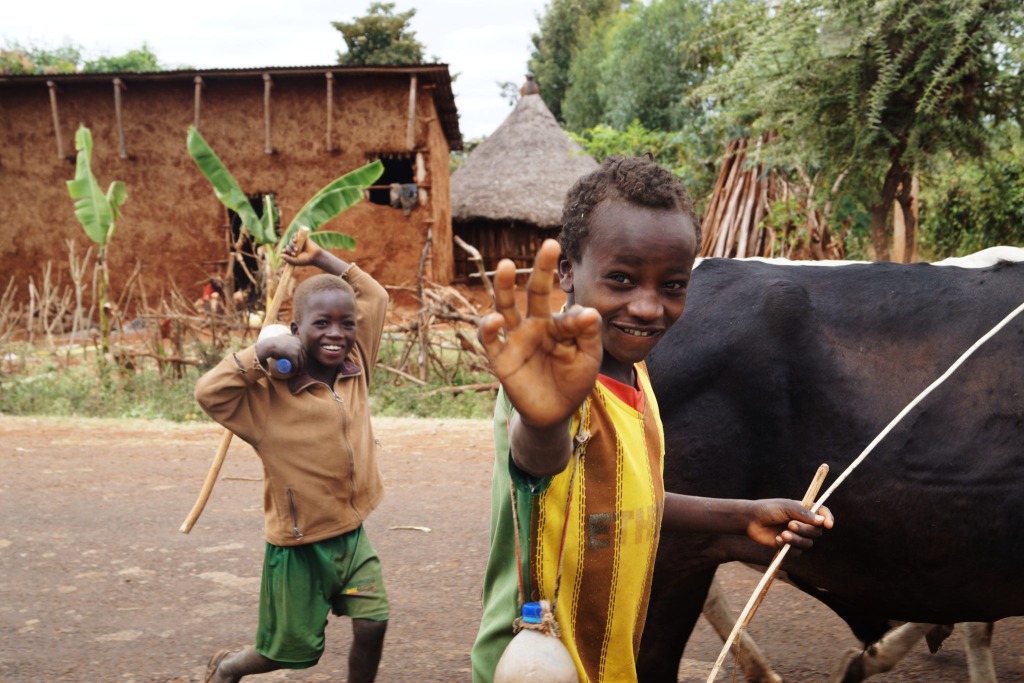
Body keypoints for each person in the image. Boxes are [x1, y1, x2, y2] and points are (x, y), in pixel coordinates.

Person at [470, 156, 835, 683]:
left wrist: (742, 515)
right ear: (569, 270)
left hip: (609, 662)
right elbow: (536, 460)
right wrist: (545, 421)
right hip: (536, 666)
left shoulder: (638, 379)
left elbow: (628, 504)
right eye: (621, 279)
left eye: (672, 286)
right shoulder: (548, 386)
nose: (648, 307)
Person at [194, 237, 390, 683]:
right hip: (299, 548)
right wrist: (258, 355)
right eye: (322, 323)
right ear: (295, 330)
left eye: (346, 323)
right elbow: (207, 392)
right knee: (286, 652)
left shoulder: (357, 366)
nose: (336, 334)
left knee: (373, 621)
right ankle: (229, 667)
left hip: (352, 536)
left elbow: (374, 295)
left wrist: (320, 257)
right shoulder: (265, 402)